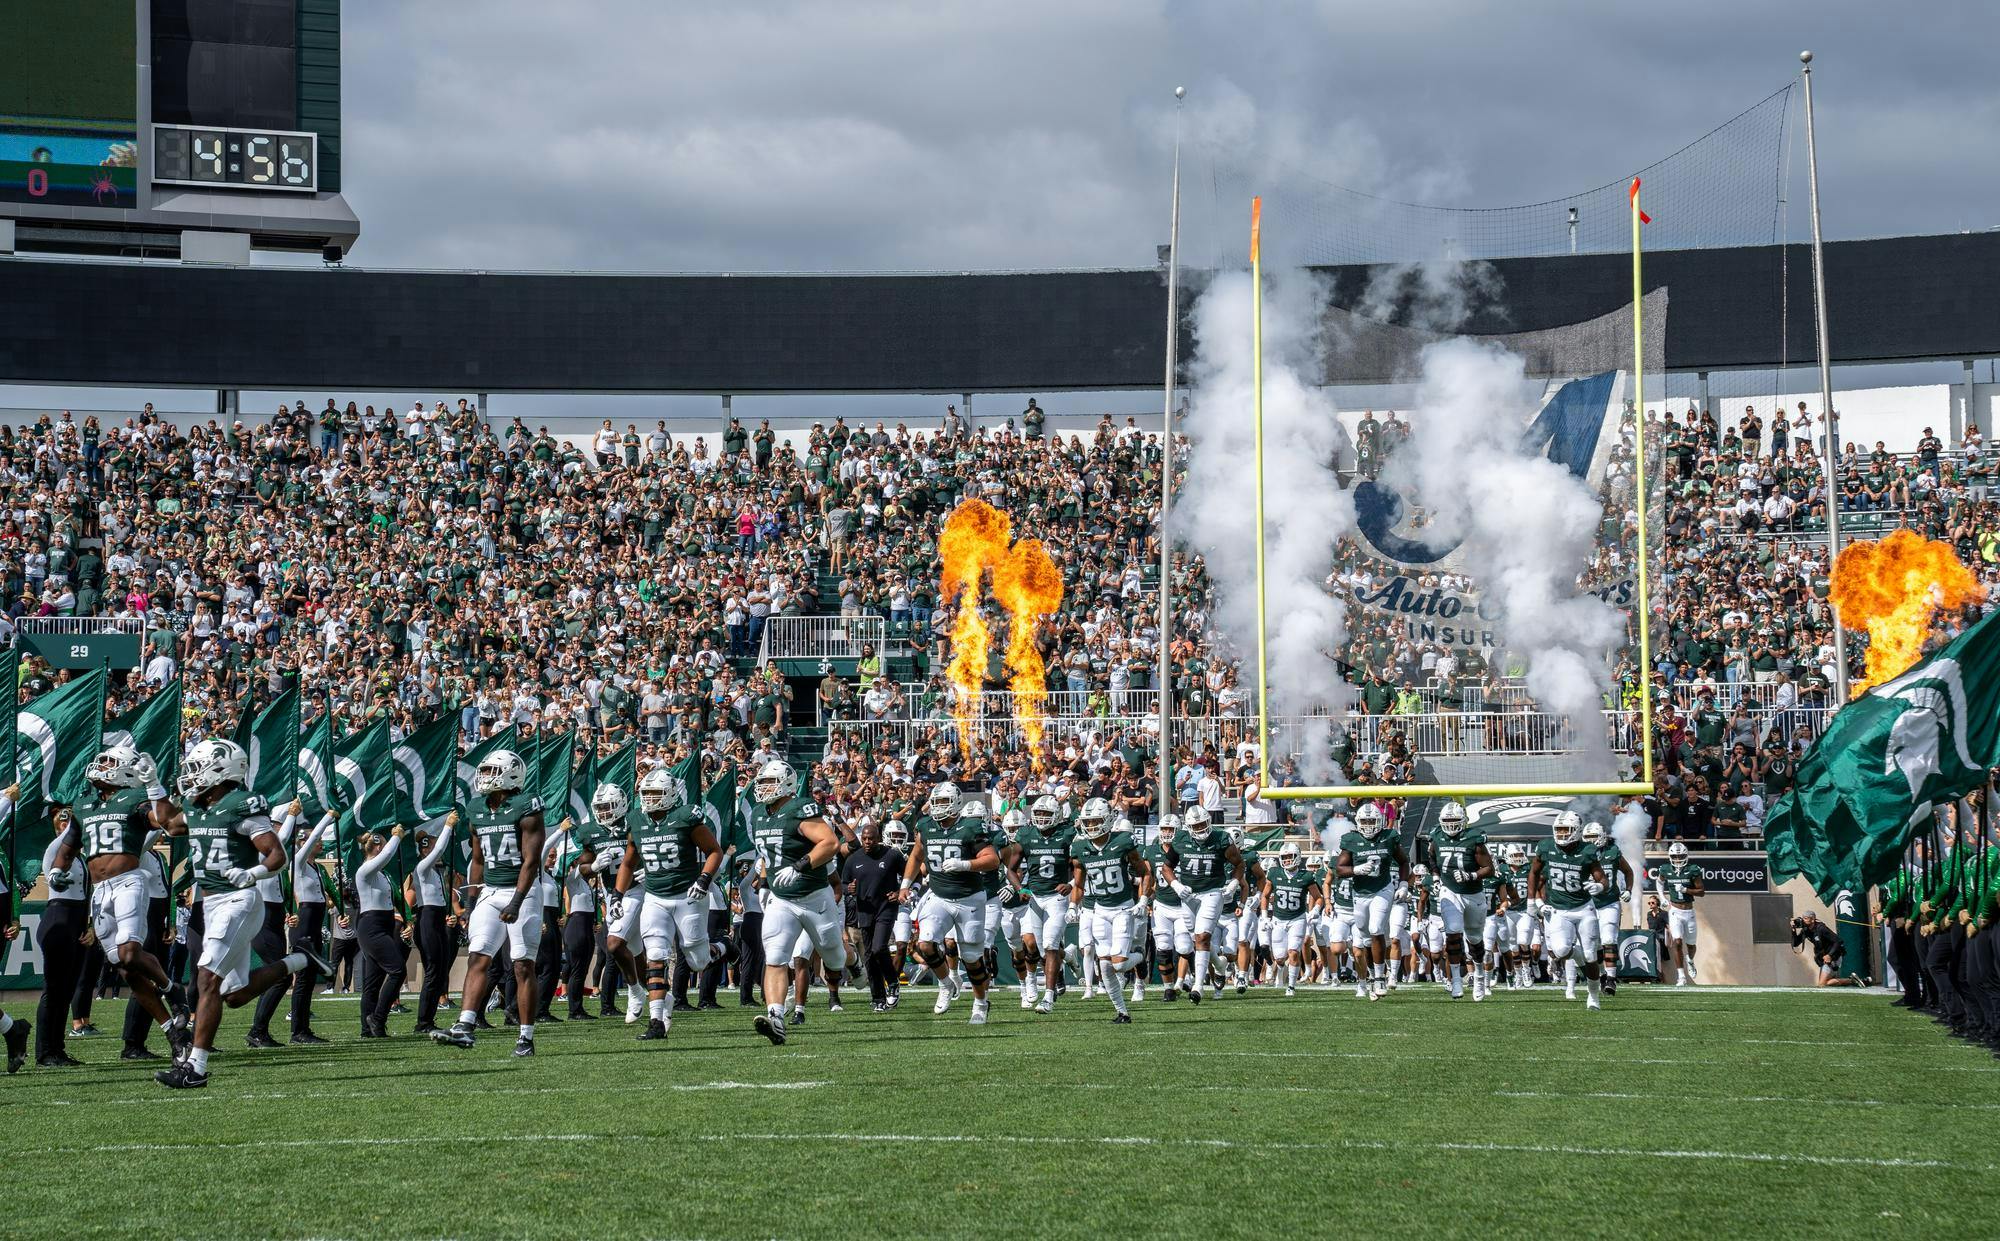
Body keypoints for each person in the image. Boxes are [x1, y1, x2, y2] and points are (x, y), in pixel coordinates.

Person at [156, 739, 326, 1088]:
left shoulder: (240, 805)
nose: (191, 776)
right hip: (213, 902)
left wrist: (253, 873)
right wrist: (153, 785)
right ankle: (300, 959)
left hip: (238, 899)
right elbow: (169, 825)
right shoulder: (199, 805)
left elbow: (275, 855)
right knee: (234, 995)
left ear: (222, 770)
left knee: (206, 978)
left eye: (197, 768)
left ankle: (195, 1069)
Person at [54, 752, 188, 1061]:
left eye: (110, 763)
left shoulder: (135, 800)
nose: (101, 767)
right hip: (100, 891)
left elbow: (170, 823)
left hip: (129, 881)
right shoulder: (86, 806)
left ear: (126, 771)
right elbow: (67, 848)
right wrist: (55, 873)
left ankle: (173, 988)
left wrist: (154, 785)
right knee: (125, 969)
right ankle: (172, 1031)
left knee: (129, 952)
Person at [431, 749, 547, 1056]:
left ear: (511, 774)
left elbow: (531, 861)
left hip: (523, 891)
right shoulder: (476, 808)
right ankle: (465, 1026)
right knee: (478, 957)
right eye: (483, 772)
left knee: (522, 966)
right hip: (491, 891)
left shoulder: (526, 806)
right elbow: (478, 859)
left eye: (490, 772)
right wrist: (470, 903)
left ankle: (525, 1037)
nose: (484, 778)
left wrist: (517, 901)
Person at [614, 766, 722, 1042]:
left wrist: (704, 879)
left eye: (656, 793)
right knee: (656, 957)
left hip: (688, 896)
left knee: (698, 961)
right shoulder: (636, 819)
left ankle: (722, 946)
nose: (649, 798)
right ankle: (656, 1021)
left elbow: (714, 851)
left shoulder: (684, 817)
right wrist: (617, 894)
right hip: (655, 897)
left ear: (671, 794)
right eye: (646, 793)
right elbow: (628, 862)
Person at [745, 759, 847, 1045]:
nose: (762, 788)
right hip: (781, 898)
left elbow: (829, 843)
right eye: (761, 782)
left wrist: (799, 866)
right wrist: (765, 883)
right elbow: (768, 854)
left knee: (834, 956)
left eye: (768, 783)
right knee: (775, 956)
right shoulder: (758, 815)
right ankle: (776, 1017)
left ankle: (855, 964)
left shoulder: (798, 808)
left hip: (815, 897)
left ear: (786, 783)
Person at [902, 783, 1000, 1025]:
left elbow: (993, 860)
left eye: (944, 802)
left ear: (956, 803)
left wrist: (966, 864)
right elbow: (916, 855)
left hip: (970, 898)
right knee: (925, 944)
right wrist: (905, 883)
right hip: (939, 896)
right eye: (936, 802)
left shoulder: (970, 827)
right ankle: (946, 984)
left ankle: (980, 1003)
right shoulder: (926, 826)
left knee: (972, 958)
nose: (938, 807)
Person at [1157, 803, 1246, 1002]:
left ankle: (1198, 986)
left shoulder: (1221, 838)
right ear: (1188, 827)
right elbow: (1166, 867)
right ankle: (1220, 965)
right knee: (1196, 940)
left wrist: (1233, 882)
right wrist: (1176, 885)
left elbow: (1239, 864)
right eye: (1196, 826)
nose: (1200, 829)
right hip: (1188, 896)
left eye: (1203, 824)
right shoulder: (1179, 838)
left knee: (1203, 937)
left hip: (1212, 893)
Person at [1066, 798, 1144, 1024]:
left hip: (1121, 908)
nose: (1091, 827)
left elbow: (1145, 872)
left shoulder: (1123, 840)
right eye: (1088, 822)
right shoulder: (1080, 847)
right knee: (1105, 966)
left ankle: (1139, 955)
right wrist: (1073, 905)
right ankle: (1123, 1012)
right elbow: (1079, 884)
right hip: (1099, 909)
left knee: (1119, 964)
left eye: (1096, 821)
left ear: (1108, 820)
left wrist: (1144, 899)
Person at [1529, 810, 1609, 1011]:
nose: (1562, 834)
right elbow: (1534, 873)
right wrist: (1533, 900)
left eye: (1566, 830)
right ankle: (1579, 957)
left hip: (1584, 909)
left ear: (1577, 831)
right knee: (1561, 951)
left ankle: (1593, 996)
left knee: (1591, 955)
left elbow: (1602, 878)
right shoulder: (1546, 847)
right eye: (1559, 829)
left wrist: (1599, 887)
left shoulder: (1588, 850)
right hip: (1558, 910)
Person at [1423, 802, 1495, 1000]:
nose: (1451, 825)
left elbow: (1490, 869)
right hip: (1449, 892)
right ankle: (1455, 980)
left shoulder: (1474, 838)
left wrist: (1470, 876)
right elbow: (1431, 858)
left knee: (1474, 939)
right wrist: (1436, 877)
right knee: (1453, 933)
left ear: (1463, 821)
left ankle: (1479, 974)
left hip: (1473, 894)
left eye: (1455, 821)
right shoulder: (1437, 835)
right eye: (1447, 821)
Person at [1336, 803, 1408, 1000]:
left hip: (1383, 889)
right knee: (1366, 939)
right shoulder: (1351, 839)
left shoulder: (1388, 837)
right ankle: (1370, 975)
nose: (1368, 825)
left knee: (1376, 929)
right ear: (1358, 822)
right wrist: (1356, 870)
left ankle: (1379, 978)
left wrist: (1402, 884)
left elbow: (1403, 860)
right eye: (1365, 821)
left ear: (1380, 821)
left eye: (1372, 821)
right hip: (1360, 893)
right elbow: (1340, 869)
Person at [1014, 795, 1074, 1014]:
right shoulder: (1027, 835)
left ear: (1056, 815)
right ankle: (1068, 955)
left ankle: (1048, 997)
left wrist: (1071, 883)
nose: (1040, 818)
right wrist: (1020, 888)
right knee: (1041, 950)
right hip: (1036, 898)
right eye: (1038, 813)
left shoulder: (1067, 834)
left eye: (1045, 814)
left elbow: (1081, 865)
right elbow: (1011, 868)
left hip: (1057, 898)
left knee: (1049, 945)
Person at [353, 826, 408, 1038]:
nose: (387, 849)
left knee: (373, 983)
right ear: (377, 847)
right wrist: (396, 837)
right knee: (398, 971)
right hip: (372, 927)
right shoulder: (364, 870)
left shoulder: (381, 874)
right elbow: (387, 855)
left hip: (383, 925)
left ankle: (369, 1030)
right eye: (383, 845)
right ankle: (377, 1018)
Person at [409, 820, 458, 1033]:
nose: (440, 852)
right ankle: (423, 1021)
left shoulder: (436, 872)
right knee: (432, 970)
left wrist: (449, 916)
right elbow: (439, 848)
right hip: (427, 917)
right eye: (434, 847)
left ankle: (429, 1018)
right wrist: (448, 826)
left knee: (440, 970)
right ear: (425, 849)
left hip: (436, 917)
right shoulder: (422, 867)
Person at [1261, 842, 1321, 996]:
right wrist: (1264, 916)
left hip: (1297, 919)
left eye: (1290, 857)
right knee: (1280, 958)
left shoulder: (1306, 876)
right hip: (1278, 919)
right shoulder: (1274, 873)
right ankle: (1281, 971)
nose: (1287, 860)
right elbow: (1265, 895)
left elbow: (1318, 898)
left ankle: (1292, 987)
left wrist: (1315, 909)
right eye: (1284, 857)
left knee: (1293, 952)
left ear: (1297, 857)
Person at [1581, 821, 1632, 997]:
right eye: (1587, 837)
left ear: (1602, 836)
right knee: (1593, 944)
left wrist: (1628, 890)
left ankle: (1611, 979)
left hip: (1610, 901)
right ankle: (1603, 973)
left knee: (1609, 938)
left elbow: (1629, 872)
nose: (1591, 840)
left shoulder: (1613, 852)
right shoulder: (1581, 854)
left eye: (1594, 836)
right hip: (1588, 904)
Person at [1657, 841, 1705, 985]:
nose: (1678, 859)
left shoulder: (1693, 869)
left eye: (1680, 856)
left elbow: (1701, 892)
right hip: (1675, 911)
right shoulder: (1665, 869)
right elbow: (1659, 882)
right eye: (1675, 857)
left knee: (1691, 945)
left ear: (1686, 856)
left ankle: (1690, 960)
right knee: (1677, 942)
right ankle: (1681, 977)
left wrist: (1686, 890)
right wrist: (1662, 897)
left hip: (1689, 911)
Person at [1792, 910, 1867, 986]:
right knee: (1825, 983)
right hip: (1824, 958)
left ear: (1812, 919)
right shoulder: (1806, 930)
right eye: (1803, 918)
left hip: (1834, 956)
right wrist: (1793, 931)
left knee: (1822, 984)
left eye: (1805, 918)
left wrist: (1829, 955)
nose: (1803, 921)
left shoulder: (1821, 928)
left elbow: (1838, 941)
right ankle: (1856, 980)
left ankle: (1852, 981)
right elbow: (1795, 943)